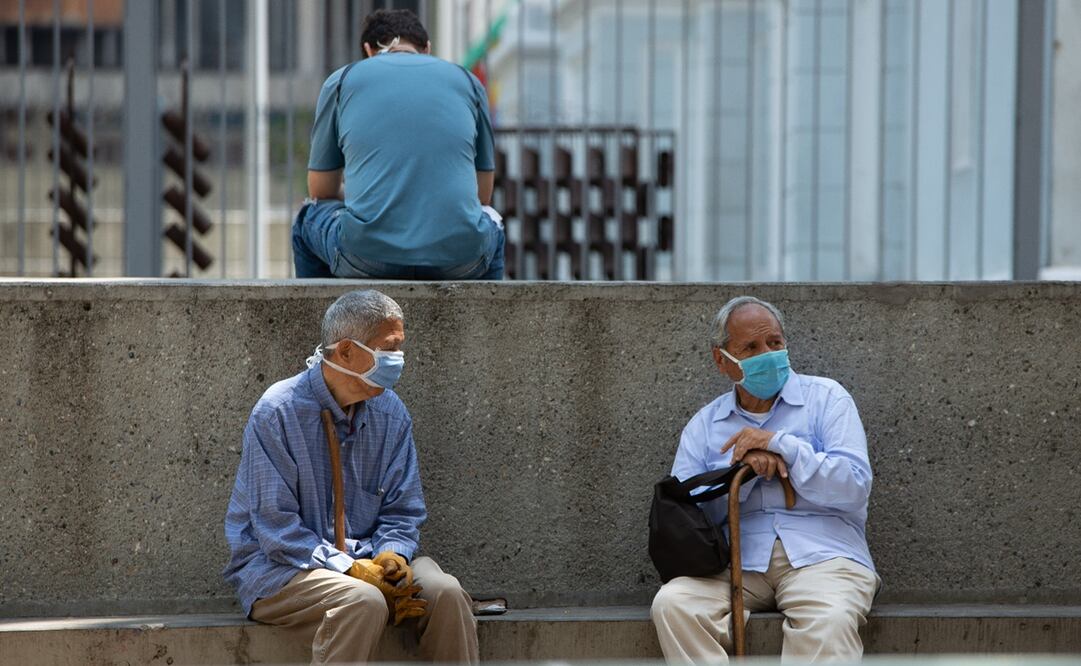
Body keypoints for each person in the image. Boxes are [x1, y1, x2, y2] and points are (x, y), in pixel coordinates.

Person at [223, 289, 478, 664]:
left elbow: (403, 511)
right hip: (280, 570)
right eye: (388, 349)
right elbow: (275, 529)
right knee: (363, 600)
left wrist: (391, 555)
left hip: (367, 561)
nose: (398, 360)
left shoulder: (391, 412)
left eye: (400, 348)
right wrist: (351, 568)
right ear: (345, 351)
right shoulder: (277, 411)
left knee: (447, 593)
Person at [651, 296, 879, 663]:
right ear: (723, 361)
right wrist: (741, 472)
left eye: (775, 343)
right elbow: (684, 515)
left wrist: (781, 446)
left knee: (831, 620)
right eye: (751, 347)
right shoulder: (704, 426)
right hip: (735, 563)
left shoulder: (828, 399)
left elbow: (853, 486)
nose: (768, 354)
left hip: (822, 556)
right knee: (673, 605)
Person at [293, 9, 504, 280]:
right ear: (427, 49)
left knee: (307, 218)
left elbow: (321, 190)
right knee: (493, 223)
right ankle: (491, 318)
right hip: (461, 259)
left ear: (368, 50)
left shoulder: (342, 80)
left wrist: (367, 189)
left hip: (365, 257)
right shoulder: (469, 82)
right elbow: (482, 195)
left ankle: (332, 319)